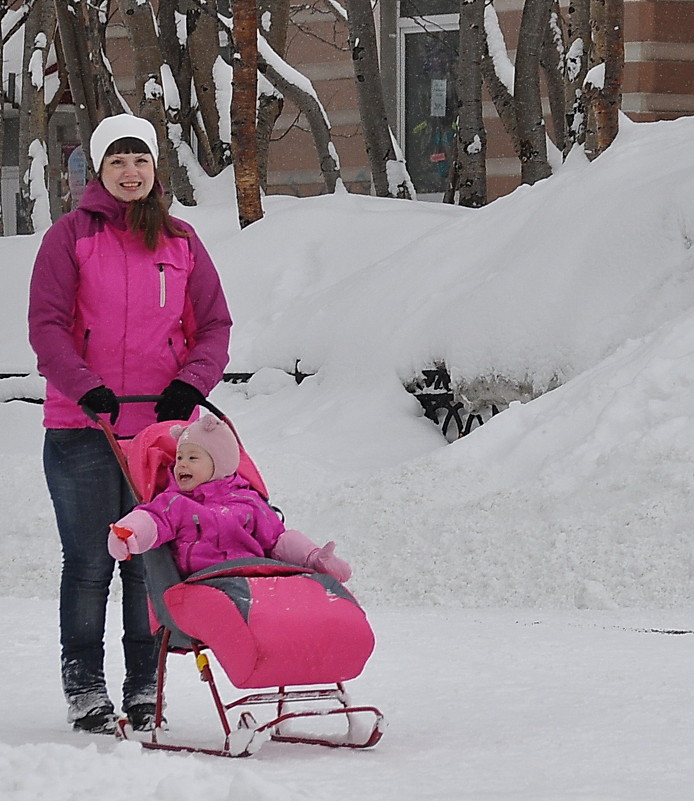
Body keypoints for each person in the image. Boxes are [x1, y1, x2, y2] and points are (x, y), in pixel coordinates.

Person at [28, 114, 232, 735]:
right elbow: (48, 326)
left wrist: (189, 385)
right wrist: (85, 387)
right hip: (81, 427)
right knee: (90, 562)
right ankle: (86, 689)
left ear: (154, 168)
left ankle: (145, 688)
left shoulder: (181, 240)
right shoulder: (70, 237)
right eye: (116, 160)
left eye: (139, 159)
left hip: (159, 434)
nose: (129, 171)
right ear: (98, 170)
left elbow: (214, 328)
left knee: (147, 561)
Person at [107, 415, 352, 582]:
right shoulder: (176, 502)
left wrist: (312, 557)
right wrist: (129, 532)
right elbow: (151, 518)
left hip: (253, 580)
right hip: (206, 583)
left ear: (221, 465)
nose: (182, 464)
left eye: (193, 458)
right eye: (180, 458)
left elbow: (277, 540)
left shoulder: (248, 501)